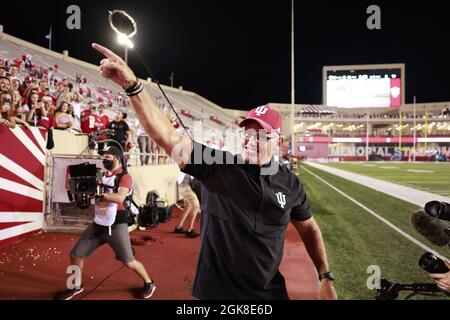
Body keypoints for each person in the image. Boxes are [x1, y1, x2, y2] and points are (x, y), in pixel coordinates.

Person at [92, 43, 337, 300]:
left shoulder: (291, 184)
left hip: (271, 294)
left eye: (262, 135)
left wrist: (324, 275)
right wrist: (133, 86)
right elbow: (166, 136)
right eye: (247, 133)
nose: (251, 140)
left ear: (279, 142)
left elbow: (308, 227)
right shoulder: (218, 166)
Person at [61, 146, 156, 300]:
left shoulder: (125, 177)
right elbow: (90, 192)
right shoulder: (102, 175)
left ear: (117, 159)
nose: (104, 160)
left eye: (107, 157)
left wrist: (99, 194)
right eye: (103, 157)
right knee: (75, 254)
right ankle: (76, 286)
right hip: (98, 223)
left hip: (116, 225)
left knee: (129, 261)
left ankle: (149, 283)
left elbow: (119, 198)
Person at [175, 172, 201, 238]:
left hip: (184, 185)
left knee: (188, 206)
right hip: (184, 186)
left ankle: (179, 227)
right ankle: (190, 230)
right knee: (195, 206)